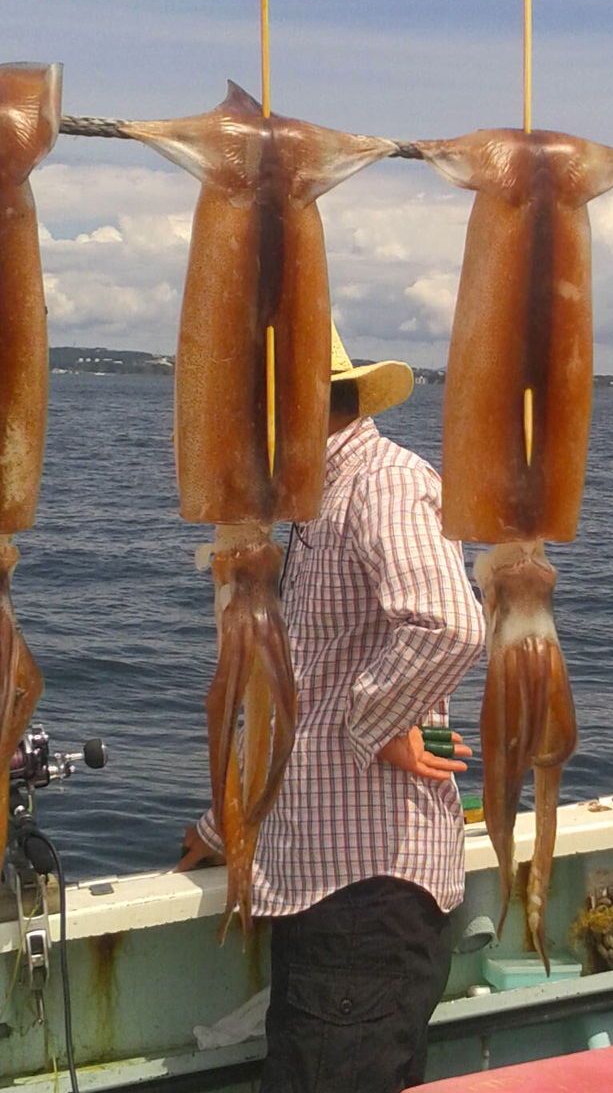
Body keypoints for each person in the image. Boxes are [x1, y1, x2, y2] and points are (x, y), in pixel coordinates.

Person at [177, 323, 485, 1093]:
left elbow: (449, 623)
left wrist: (375, 725)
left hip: (366, 902)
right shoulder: (318, 506)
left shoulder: (383, 483)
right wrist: (223, 826)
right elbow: (301, 697)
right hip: (331, 895)